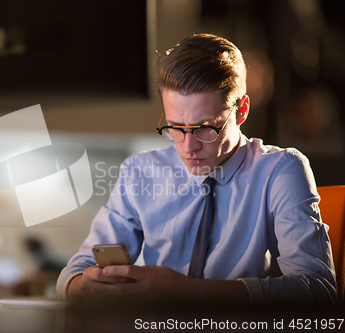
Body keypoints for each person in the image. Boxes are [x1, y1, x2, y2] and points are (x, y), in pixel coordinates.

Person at [56, 34, 337, 306]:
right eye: (175, 128)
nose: (188, 147)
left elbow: (318, 290)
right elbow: (73, 274)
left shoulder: (281, 170)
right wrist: (83, 286)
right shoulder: (139, 171)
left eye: (205, 128)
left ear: (241, 111)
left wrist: (189, 293)